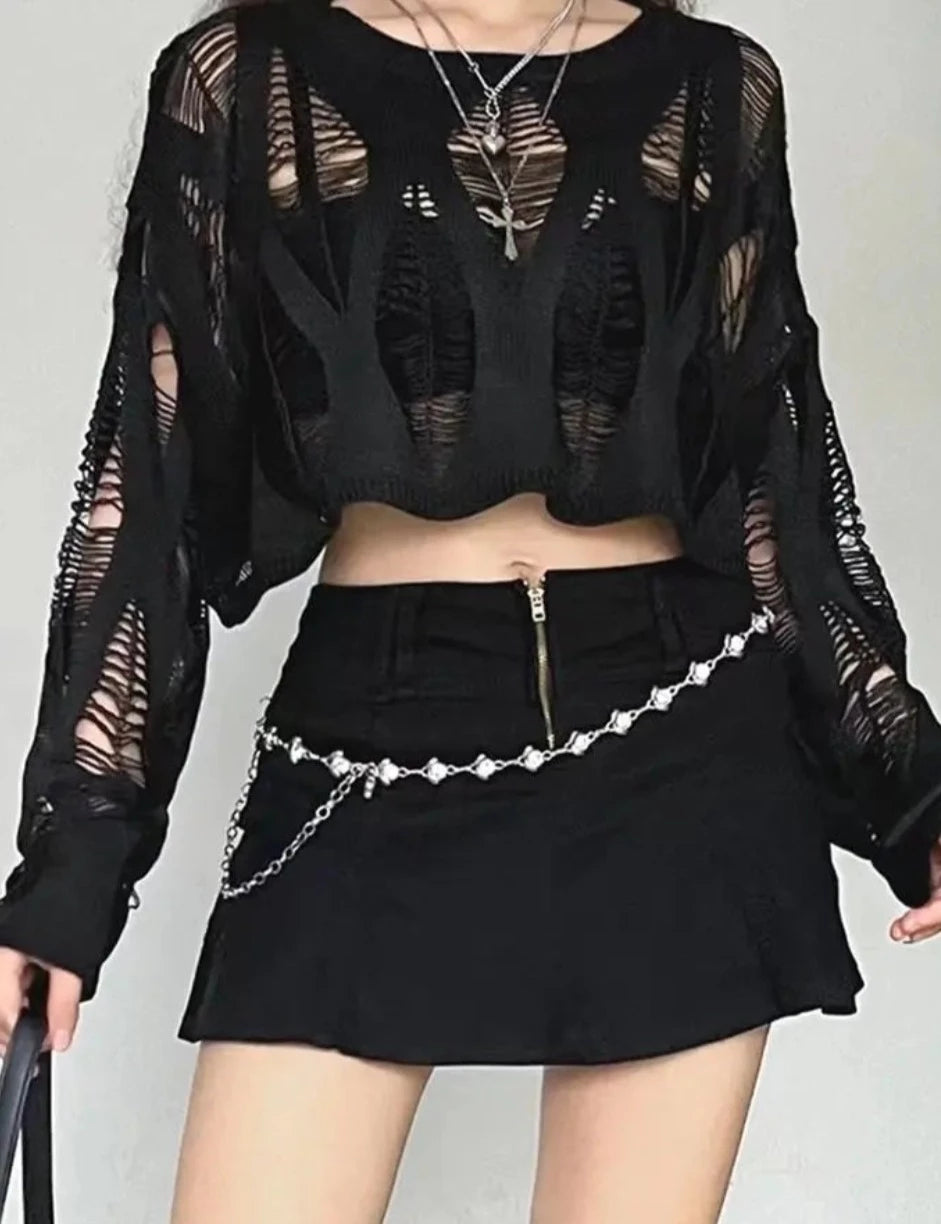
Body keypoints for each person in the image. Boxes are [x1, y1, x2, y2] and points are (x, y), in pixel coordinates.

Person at [1, 0, 939, 1220]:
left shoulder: (714, 87)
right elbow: (151, 491)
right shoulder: (249, 75)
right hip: (369, 741)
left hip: (679, 747)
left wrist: (908, 790)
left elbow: (775, 479)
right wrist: (69, 868)